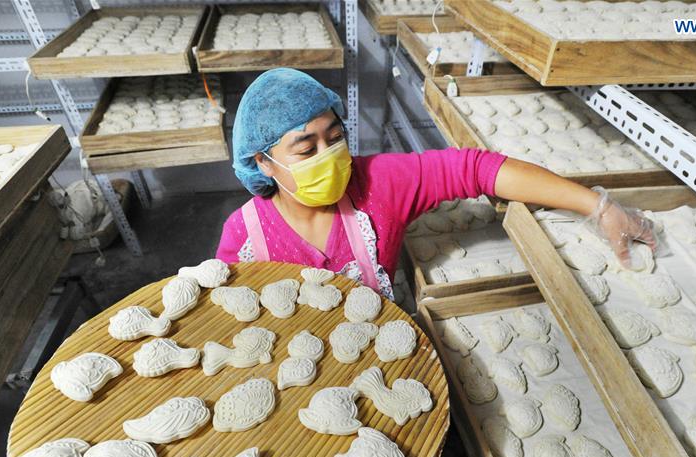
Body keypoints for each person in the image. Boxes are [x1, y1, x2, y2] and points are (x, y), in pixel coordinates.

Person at [216, 68, 657, 299]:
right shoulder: (247, 236)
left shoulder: (378, 185)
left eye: (335, 139)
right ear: (264, 162)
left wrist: (598, 207)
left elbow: (477, 168)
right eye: (306, 149)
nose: (329, 157)